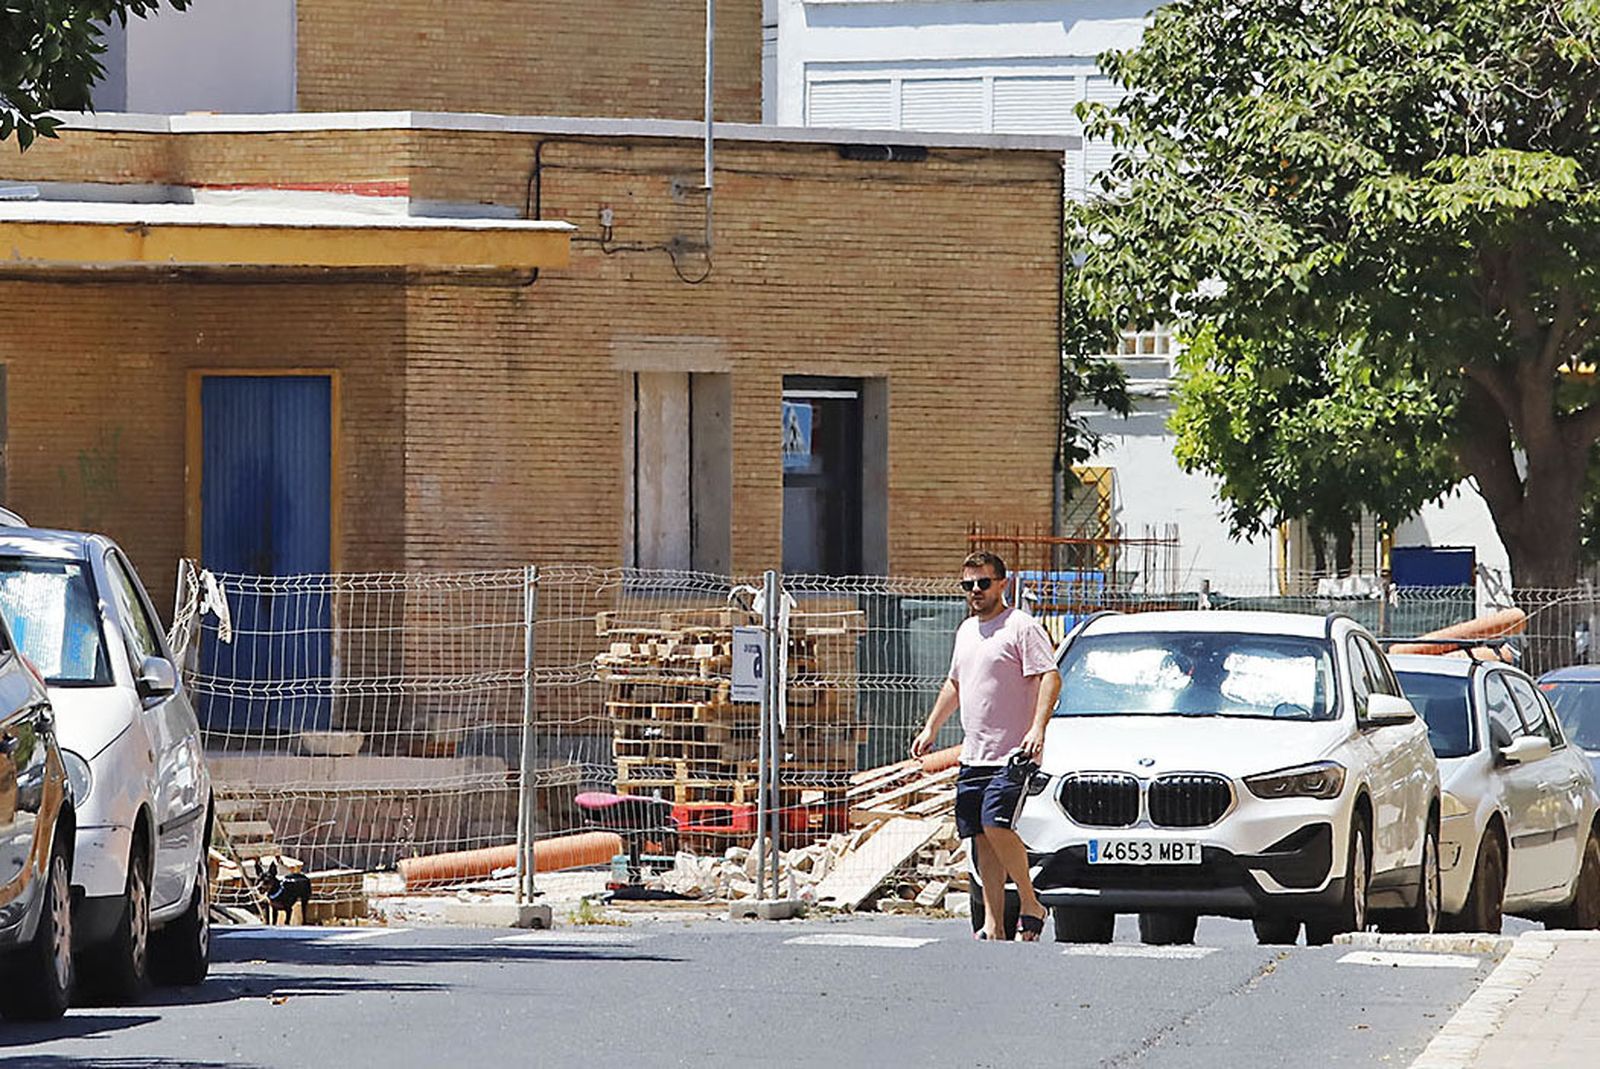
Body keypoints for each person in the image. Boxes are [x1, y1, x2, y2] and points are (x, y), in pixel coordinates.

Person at [911, 551, 1061, 941]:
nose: (975, 591)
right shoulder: (965, 631)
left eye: (983, 583)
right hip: (974, 753)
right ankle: (994, 923)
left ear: (1002, 584)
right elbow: (955, 684)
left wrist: (1038, 728)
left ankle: (1030, 902)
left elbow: (1050, 677)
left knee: (997, 823)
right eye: (968, 585)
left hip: (1013, 753)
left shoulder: (1021, 627)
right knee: (979, 835)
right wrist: (931, 728)